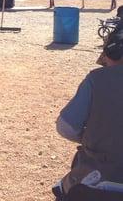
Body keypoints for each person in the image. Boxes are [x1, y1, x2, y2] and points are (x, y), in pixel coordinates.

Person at [53, 28, 123, 200]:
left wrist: (92, 136)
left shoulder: (97, 79)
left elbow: (66, 126)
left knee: (64, 190)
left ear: (110, 55)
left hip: (104, 174)